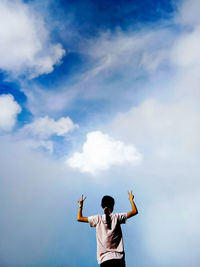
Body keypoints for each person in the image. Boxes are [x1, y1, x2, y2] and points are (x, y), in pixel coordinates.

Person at [77, 191, 138, 266]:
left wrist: (80, 205)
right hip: (119, 259)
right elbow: (134, 211)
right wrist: (131, 199)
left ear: (102, 207)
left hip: (105, 260)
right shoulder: (117, 217)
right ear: (112, 206)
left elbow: (79, 218)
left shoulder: (97, 219)